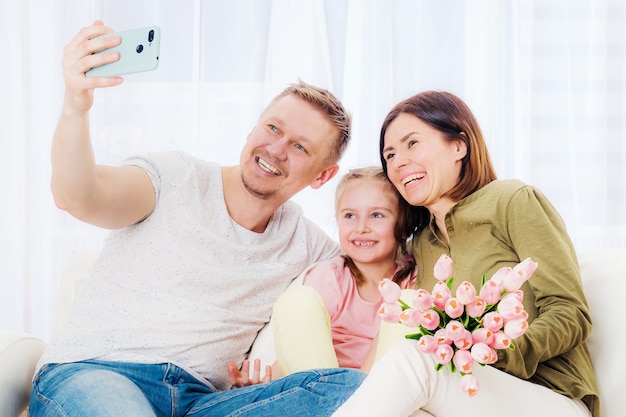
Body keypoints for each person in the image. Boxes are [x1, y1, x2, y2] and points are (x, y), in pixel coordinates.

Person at [29, 20, 366, 417]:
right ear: (253, 127)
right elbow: (78, 196)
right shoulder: (174, 178)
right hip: (97, 374)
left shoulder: (309, 246)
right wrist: (75, 105)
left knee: (349, 388)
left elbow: (380, 271)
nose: (275, 149)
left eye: (299, 147)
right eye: (272, 127)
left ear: (323, 176)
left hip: (200, 402)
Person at [332, 91, 600, 417]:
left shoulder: (512, 200)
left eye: (412, 143)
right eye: (389, 155)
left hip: (549, 398)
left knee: (413, 357)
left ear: (459, 146)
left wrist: (499, 352)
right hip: (467, 396)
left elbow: (570, 312)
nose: (398, 162)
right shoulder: (420, 244)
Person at [271, 166, 417, 376]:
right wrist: (262, 386)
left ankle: (350, 400)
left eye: (377, 215)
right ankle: (333, 396)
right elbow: (301, 341)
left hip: (376, 388)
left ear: (404, 226)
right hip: (322, 385)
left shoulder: (410, 281)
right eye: (350, 216)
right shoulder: (330, 277)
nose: (361, 227)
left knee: (411, 303)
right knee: (296, 301)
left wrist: (357, 394)